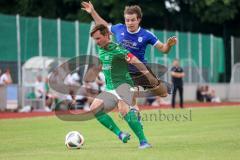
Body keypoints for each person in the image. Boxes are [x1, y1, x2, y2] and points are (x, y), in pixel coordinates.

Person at [81, 2, 177, 117]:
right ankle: (136, 116)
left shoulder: (147, 35)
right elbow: (103, 26)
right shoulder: (119, 29)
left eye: (132, 20)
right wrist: (92, 12)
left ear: (139, 20)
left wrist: (169, 44)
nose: (129, 23)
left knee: (163, 93)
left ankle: (145, 91)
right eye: (127, 20)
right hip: (124, 71)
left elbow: (164, 49)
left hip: (141, 69)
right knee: (127, 103)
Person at [87, 24, 158, 149]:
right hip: (110, 88)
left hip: (123, 85)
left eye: (98, 38)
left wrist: (149, 75)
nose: (96, 42)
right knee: (94, 108)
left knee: (123, 110)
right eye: (95, 39)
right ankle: (121, 134)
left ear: (106, 35)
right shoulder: (102, 48)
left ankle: (144, 142)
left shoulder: (118, 49)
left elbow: (135, 60)